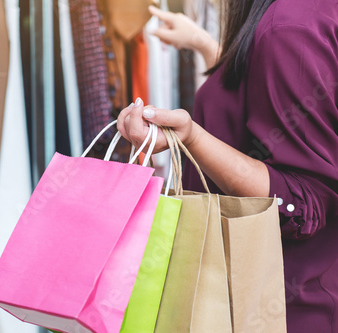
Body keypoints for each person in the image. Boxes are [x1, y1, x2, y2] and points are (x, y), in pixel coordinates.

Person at [117, 0, 338, 331]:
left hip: (275, 310)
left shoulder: (288, 27)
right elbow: (255, 103)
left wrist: (192, 138)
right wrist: (206, 45)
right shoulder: (299, 17)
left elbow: (304, 202)